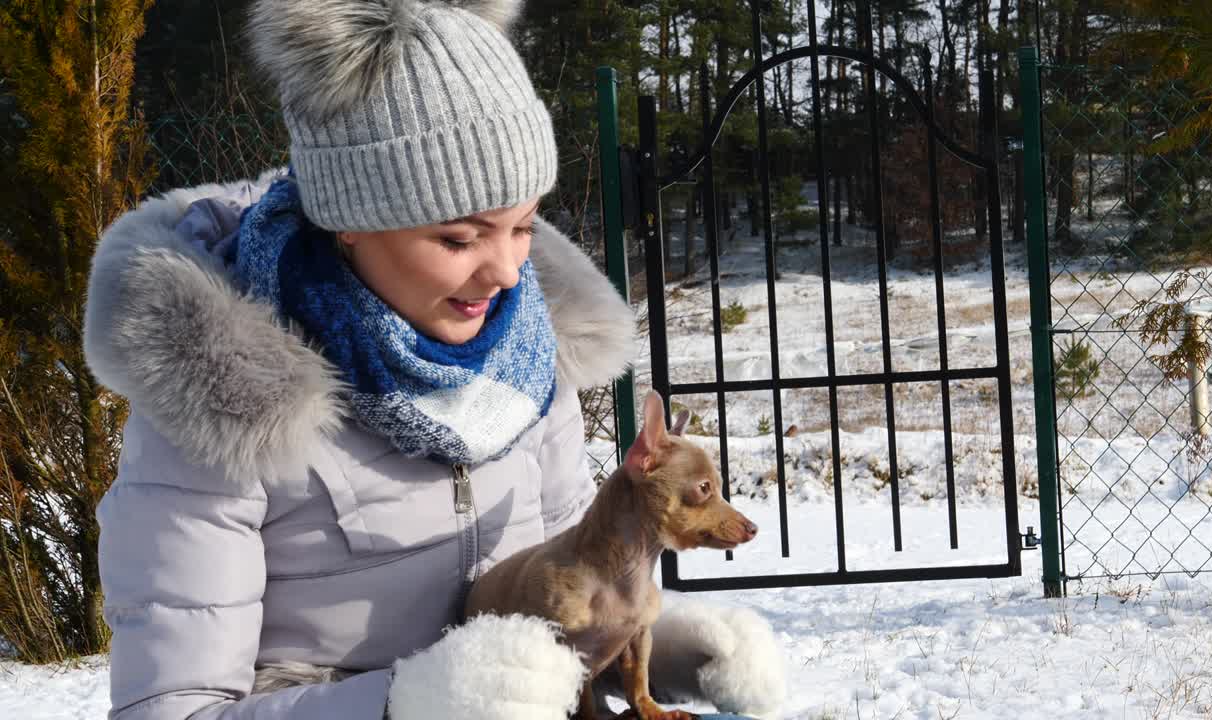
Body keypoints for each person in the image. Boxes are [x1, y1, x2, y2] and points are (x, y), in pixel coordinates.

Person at [82, 1, 786, 719]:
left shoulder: (529, 360)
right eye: (459, 239)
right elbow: (170, 710)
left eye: (521, 225)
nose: (508, 272)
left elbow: (577, 583)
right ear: (348, 220)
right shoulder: (220, 408)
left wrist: (666, 652)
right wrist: (406, 705)